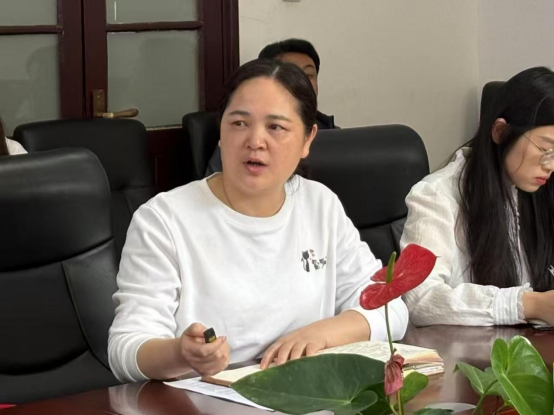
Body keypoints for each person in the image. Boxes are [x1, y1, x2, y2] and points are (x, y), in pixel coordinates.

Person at [108, 59, 408, 383]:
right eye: (239, 123)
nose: (255, 141)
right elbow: (125, 350)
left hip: (303, 395)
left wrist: (322, 333)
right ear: (220, 131)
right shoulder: (163, 220)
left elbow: (390, 307)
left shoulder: (319, 204)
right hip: (203, 399)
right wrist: (180, 354)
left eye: (275, 127)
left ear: (308, 139)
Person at [400, 66, 554, 327]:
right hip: (471, 352)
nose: (550, 166)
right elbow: (420, 299)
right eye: (546, 149)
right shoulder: (437, 196)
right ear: (500, 132)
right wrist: (530, 305)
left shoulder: (542, 188)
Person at [206, 38, 337, 176]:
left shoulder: (332, 131)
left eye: (309, 75)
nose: (256, 142)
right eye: (291, 75)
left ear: (308, 138)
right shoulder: (235, 142)